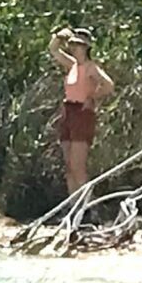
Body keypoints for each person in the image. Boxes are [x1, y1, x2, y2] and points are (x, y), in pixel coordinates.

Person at [49, 26, 114, 194]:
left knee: (78, 166)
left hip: (82, 114)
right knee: (69, 166)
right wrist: (59, 36)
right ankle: (73, 207)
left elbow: (108, 85)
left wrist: (92, 97)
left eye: (78, 45)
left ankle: (88, 206)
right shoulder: (72, 65)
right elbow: (53, 50)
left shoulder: (91, 67)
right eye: (73, 44)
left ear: (86, 47)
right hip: (68, 111)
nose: (74, 48)